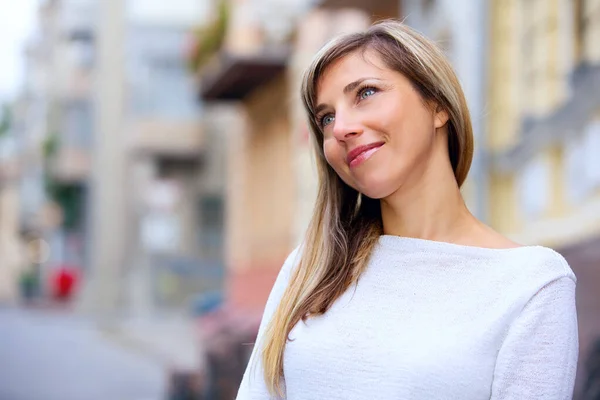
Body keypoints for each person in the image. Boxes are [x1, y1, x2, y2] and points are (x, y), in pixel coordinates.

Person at [235, 20, 579, 400]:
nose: (341, 128)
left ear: (437, 105)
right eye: (326, 118)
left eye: (366, 92)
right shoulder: (310, 269)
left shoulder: (531, 284)